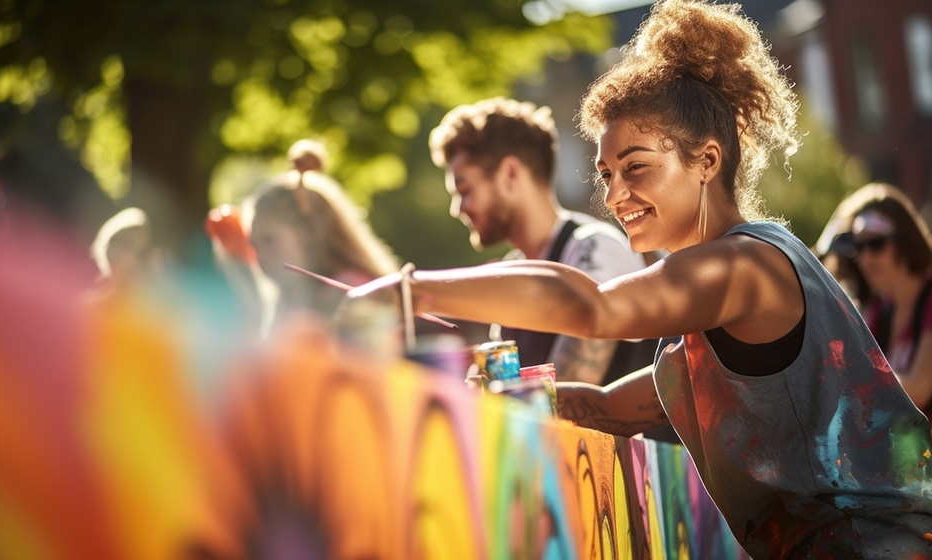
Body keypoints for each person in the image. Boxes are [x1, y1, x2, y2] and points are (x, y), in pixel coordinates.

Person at [348, 0, 932, 557]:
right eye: (605, 174)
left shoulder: (746, 265)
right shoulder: (705, 305)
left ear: (706, 161)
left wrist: (410, 289)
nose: (614, 194)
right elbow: (615, 409)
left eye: (636, 168)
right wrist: (504, 399)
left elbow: (595, 309)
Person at [428, 97, 657, 385]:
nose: (457, 209)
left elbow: (564, 396)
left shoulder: (595, 247)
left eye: (465, 190)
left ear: (510, 174)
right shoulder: (511, 270)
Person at [815, 183, 932, 419]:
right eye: (858, 247)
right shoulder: (879, 308)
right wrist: (831, 247)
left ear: (906, 241)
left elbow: (918, 391)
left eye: (876, 244)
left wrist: (855, 373)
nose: (865, 258)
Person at [243, 164, 399, 330]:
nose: (260, 256)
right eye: (254, 245)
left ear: (308, 232)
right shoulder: (288, 299)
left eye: (269, 240)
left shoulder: (356, 293)